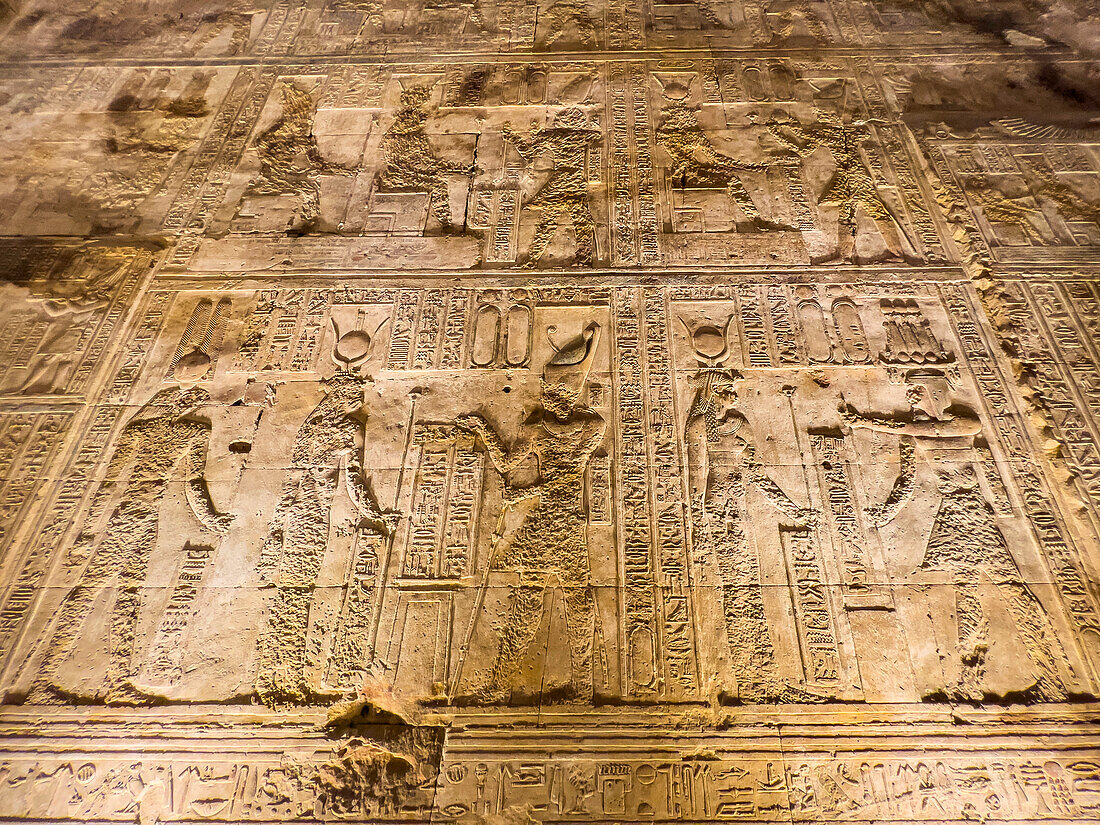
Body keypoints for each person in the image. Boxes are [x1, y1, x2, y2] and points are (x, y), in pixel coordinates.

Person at [843, 369, 1072, 701]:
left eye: (916, 391)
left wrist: (866, 423)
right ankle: (969, 677)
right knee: (964, 597)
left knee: (1010, 590)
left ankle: (1053, 672)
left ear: (936, 393)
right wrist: (884, 512)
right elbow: (907, 482)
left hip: (974, 515)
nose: (911, 398)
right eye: (910, 392)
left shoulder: (964, 424)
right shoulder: (918, 435)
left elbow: (935, 429)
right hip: (950, 515)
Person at [28, 387, 231, 704]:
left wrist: (211, 520)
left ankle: (115, 680)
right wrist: (211, 519)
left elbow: (113, 481)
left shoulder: (147, 430)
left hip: (141, 518)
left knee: (127, 592)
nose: (194, 403)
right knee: (91, 590)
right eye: (193, 398)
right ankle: (43, 681)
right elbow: (116, 482)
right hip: (131, 519)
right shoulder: (190, 431)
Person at [456, 322, 605, 702]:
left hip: (560, 522)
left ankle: (575, 688)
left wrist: (484, 432)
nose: (554, 398)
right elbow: (515, 466)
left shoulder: (565, 428)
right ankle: (511, 685)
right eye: (552, 392)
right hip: (560, 521)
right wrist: (484, 430)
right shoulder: (578, 427)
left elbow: (521, 469)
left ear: (569, 395)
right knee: (544, 600)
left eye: (559, 392)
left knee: (568, 601)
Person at [684, 367, 819, 702]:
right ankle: (749, 679)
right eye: (728, 387)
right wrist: (697, 521)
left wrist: (792, 509)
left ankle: (761, 675)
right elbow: (696, 478)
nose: (734, 393)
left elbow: (757, 475)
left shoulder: (741, 424)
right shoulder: (700, 426)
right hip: (717, 510)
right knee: (734, 587)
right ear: (714, 390)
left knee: (750, 585)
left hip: (739, 507)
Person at [503, 109, 601, 267]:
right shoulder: (583, 136)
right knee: (580, 221)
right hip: (575, 181)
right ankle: (583, 259)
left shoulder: (553, 137)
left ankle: (534, 260)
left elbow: (529, 153)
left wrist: (513, 137)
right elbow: (595, 135)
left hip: (562, 182)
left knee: (550, 220)